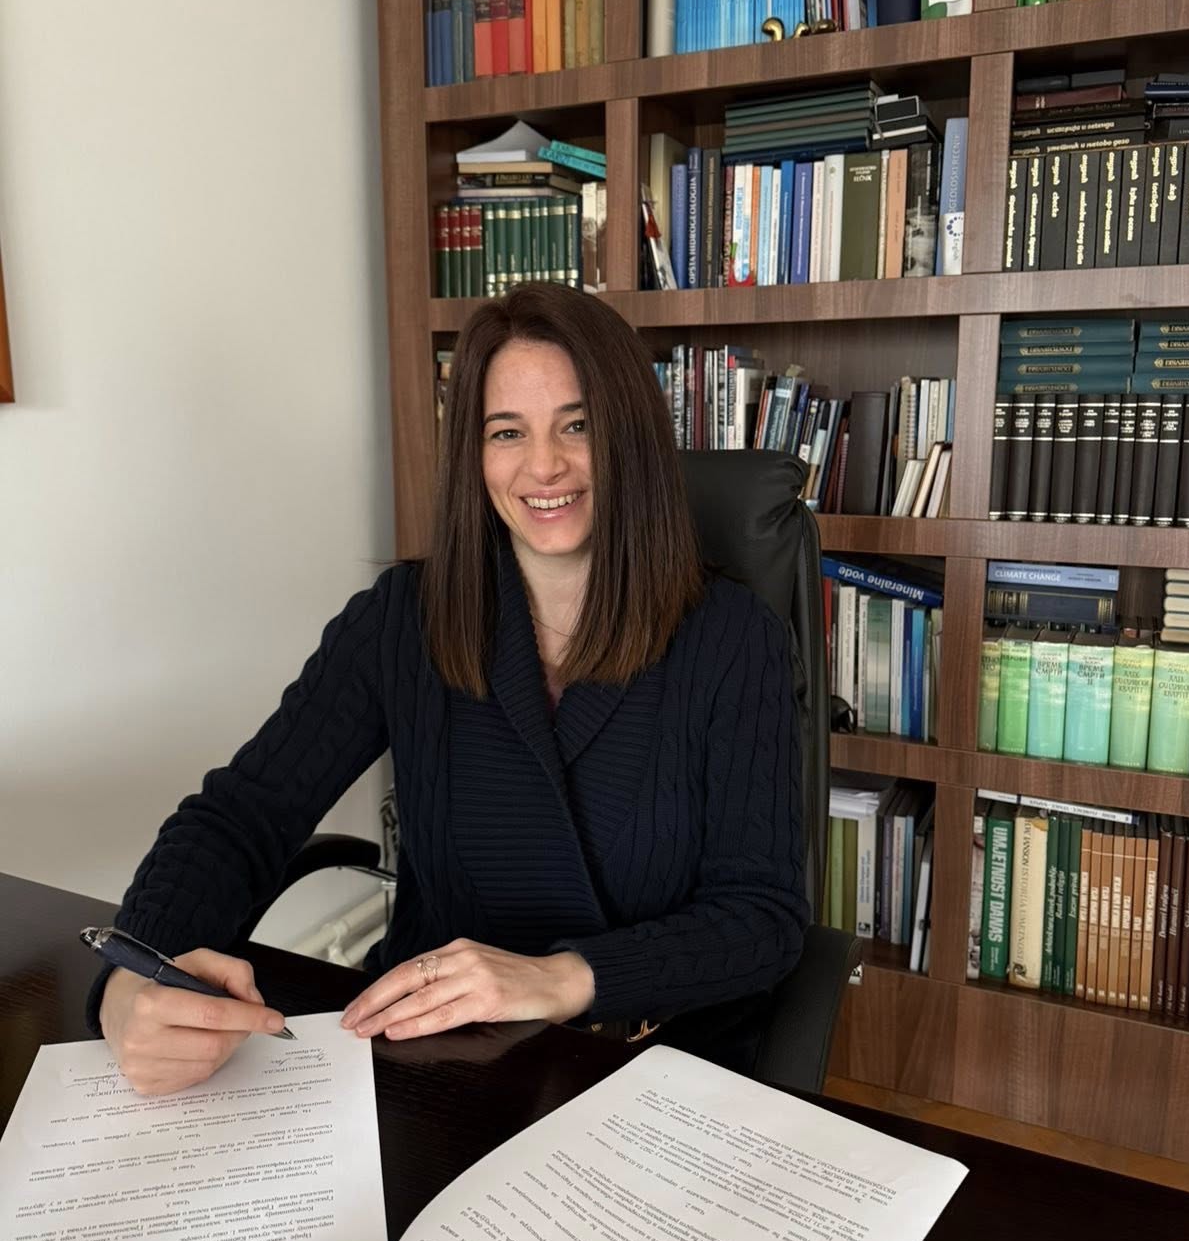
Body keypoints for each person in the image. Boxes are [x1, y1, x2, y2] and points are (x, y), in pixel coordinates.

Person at [94, 284, 809, 1094]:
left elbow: (761, 915)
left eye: (578, 425)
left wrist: (562, 977)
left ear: (631, 437)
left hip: (647, 1064)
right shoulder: (404, 619)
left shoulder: (732, 637)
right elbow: (242, 816)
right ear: (475, 455)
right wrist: (131, 978)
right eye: (507, 432)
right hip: (439, 1056)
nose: (545, 465)